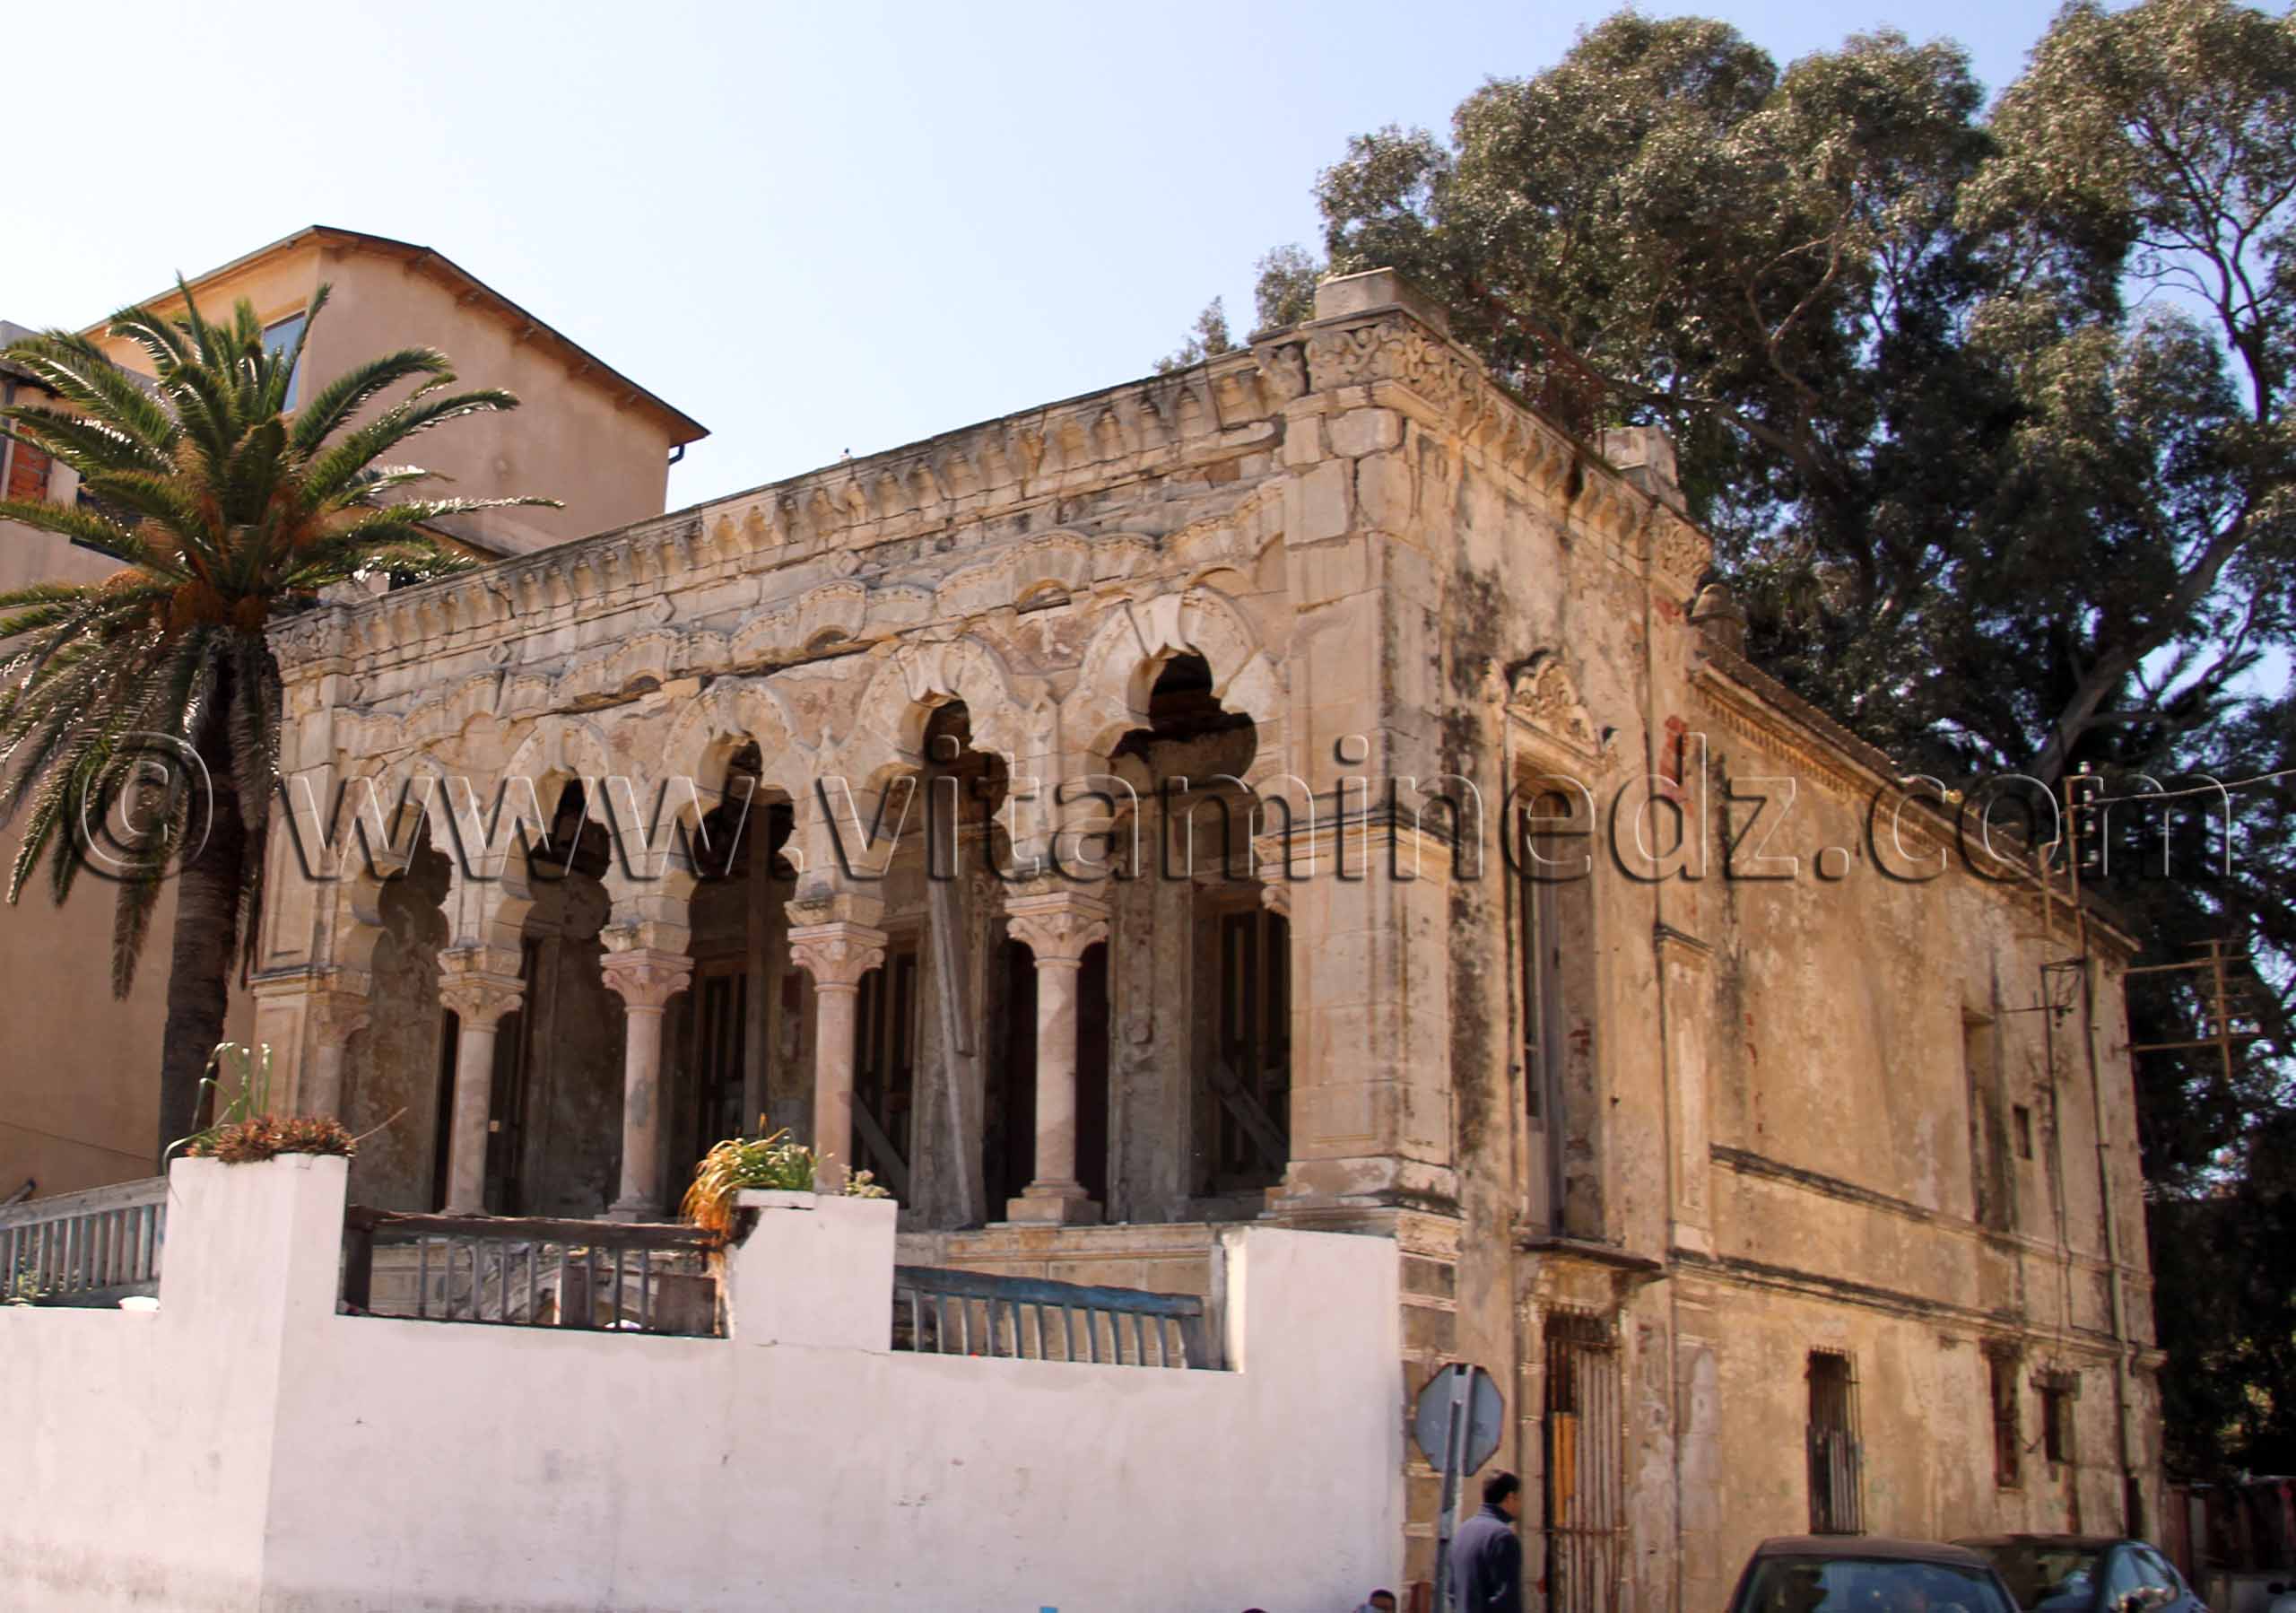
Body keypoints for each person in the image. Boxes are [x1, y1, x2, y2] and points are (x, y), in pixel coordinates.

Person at [1450, 1470, 1525, 1613]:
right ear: (1510, 1497)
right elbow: (1506, 1599)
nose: (1519, 1505)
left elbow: (1452, 1592)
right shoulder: (1503, 1537)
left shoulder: (1462, 1532)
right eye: (1518, 1499)